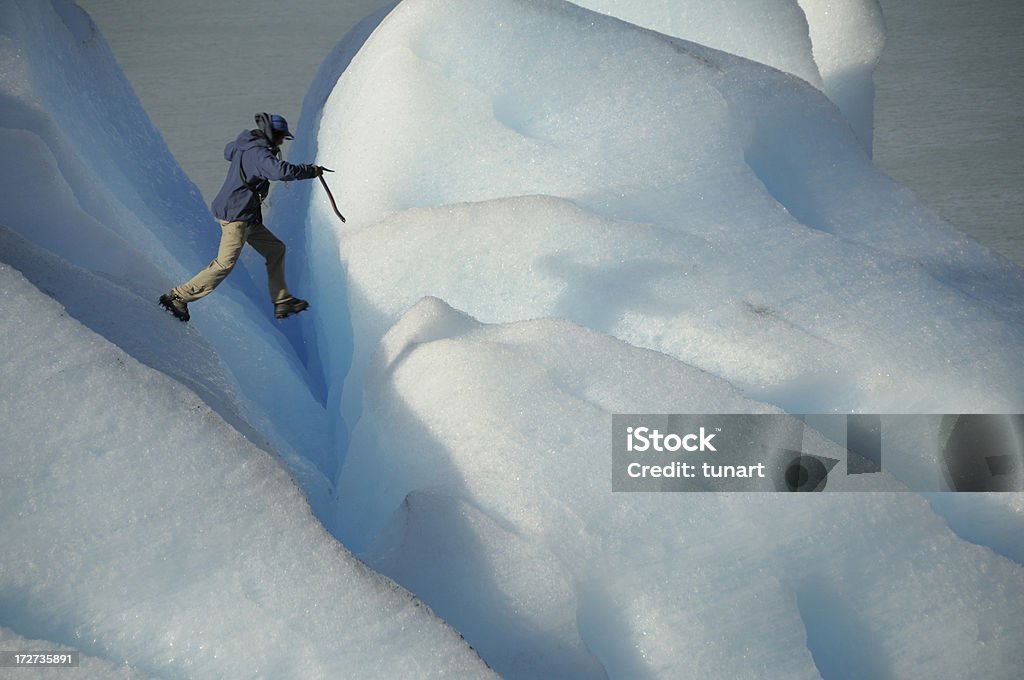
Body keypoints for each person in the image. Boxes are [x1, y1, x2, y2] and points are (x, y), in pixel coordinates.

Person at [160, 112, 326, 322]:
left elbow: (228, 151)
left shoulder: (245, 145)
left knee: (276, 249)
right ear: (271, 134)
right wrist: (309, 171)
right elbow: (279, 171)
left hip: (247, 217)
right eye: (281, 136)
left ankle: (282, 301)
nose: (283, 140)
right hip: (236, 217)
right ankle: (178, 296)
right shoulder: (259, 154)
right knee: (224, 264)